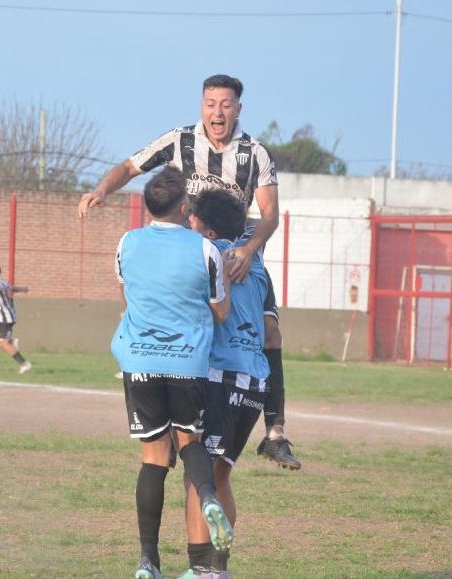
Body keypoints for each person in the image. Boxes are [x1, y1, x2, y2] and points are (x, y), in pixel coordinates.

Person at [79, 74, 300, 470]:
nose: (218, 111)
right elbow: (131, 166)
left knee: (270, 332)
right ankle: (176, 426)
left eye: (226, 104)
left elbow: (269, 214)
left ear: (238, 109)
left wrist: (249, 250)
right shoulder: (179, 141)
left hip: (240, 258)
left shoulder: (256, 153)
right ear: (201, 105)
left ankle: (276, 433)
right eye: (210, 102)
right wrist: (101, 190)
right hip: (191, 256)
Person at [112, 167, 234, 579]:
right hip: (188, 365)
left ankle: (148, 560)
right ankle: (207, 497)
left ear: (149, 205)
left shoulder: (127, 242)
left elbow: (128, 292)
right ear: (184, 207)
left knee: (152, 459)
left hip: (140, 364)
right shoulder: (205, 250)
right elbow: (220, 312)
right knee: (190, 443)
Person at [182, 188, 270, 577]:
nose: (188, 223)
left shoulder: (210, 258)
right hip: (255, 379)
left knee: (198, 476)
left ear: (208, 227)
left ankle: (204, 570)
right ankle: (218, 570)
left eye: (193, 218)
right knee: (221, 476)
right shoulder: (256, 261)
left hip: (221, 375)